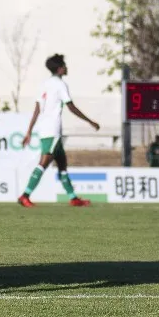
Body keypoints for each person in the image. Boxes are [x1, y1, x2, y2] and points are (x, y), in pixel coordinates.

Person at [18, 54, 98, 208]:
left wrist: (29, 131)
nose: (66, 68)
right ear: (60, 68)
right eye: (64, 65)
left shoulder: (44, 84)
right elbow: (71, 106)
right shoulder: (60, 84)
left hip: (44, 129)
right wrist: (90, 121)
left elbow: (37, 109)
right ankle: (25, 195)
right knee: (44, 163)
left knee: (62, 164)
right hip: (53, 129)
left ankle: (73, 198)